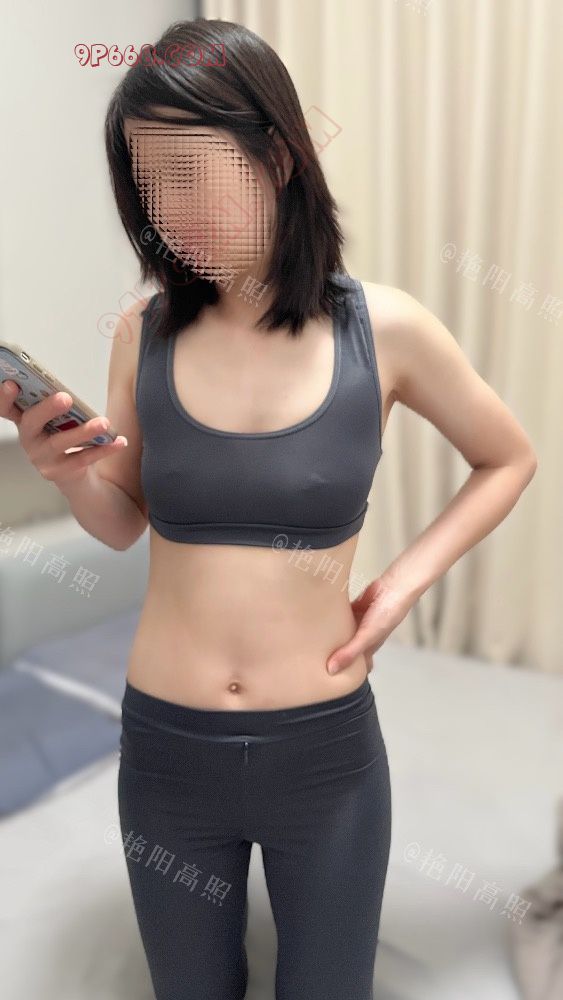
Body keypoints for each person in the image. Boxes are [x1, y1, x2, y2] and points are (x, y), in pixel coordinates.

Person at [0, 17, 537, 1000]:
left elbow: (507, 457)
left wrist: (399, 589)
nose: (168, 211)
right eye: (147, 184)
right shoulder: (144, 330)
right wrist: (66, 471)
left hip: (322, 756)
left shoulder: (385, 327)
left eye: (190, 173)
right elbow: (124, 519)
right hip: (166, 755)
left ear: (279, 157)